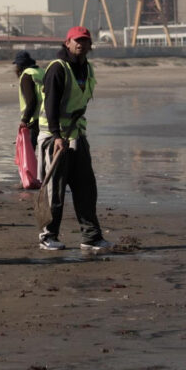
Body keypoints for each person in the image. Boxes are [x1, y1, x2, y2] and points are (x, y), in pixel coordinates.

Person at [37, 26, 111, 252]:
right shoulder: (57, 69)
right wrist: (57, 136)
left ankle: (91, 237)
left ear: (90, 46)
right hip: (54, 137)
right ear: (67, 42)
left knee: (86, 187)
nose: (81, 44)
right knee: (55, 189)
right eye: (77, 40)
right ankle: (48, 235)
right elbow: (50, 105)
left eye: (85, 41)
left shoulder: (87, 69)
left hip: (77, 134)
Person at [13, 50, 44, 147]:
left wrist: (24, 120)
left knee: (29, 156)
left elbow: (31, 101)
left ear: (20, 65)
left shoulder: (27, 76)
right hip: (47, 119)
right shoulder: (42, 72)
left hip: (34, 122)